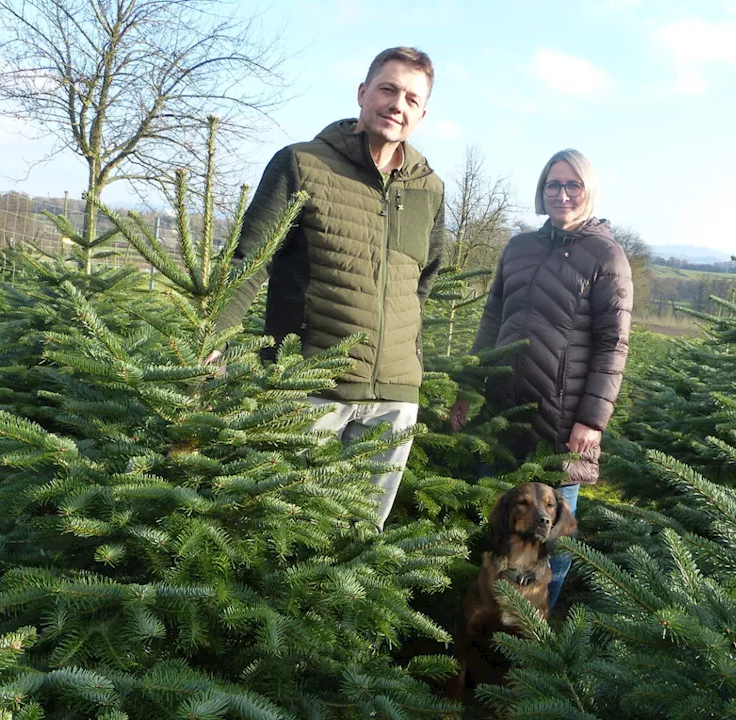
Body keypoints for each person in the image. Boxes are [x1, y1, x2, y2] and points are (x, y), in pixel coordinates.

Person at [211, 47, 446, 530]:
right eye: (387, 88)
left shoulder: (430, 187)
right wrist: (209, 338)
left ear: (422, 113)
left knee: (359, 541)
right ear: (363, 93)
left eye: (411, 98)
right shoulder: (301, 164)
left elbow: (424, 278)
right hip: (310, 385)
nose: (396, 104)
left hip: (395, 401)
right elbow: (249, 259)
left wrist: (408, 353)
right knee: (284, 532)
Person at [449, 149, 632, 608]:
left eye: (573, 185)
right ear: (541, 190)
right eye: (554, 185)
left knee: (554, 539)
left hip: (562, 421)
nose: (563, 194)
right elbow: (491, 323)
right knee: (497, 524)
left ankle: (533, 638)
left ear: (588, 191)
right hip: (503, 412)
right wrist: (469, 390)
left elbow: (614, 344)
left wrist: (591, 421)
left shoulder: (606, 257)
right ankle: (484, 623)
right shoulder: (518, 248)